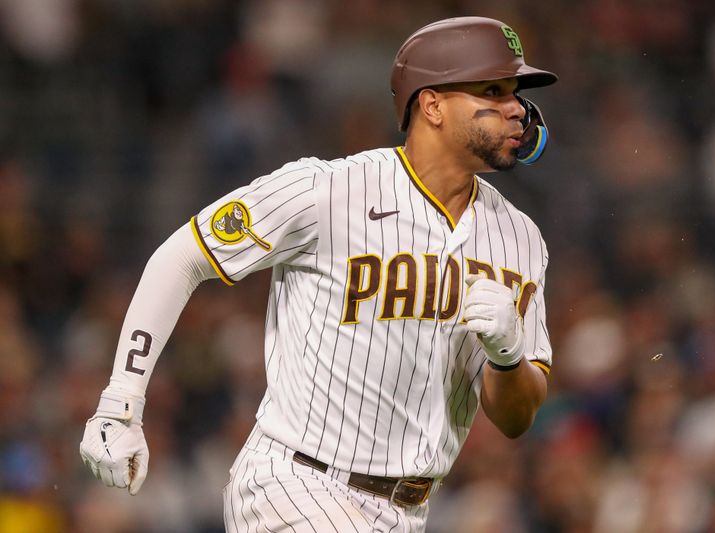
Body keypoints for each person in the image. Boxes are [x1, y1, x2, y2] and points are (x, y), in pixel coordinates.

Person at [80, 16, 557, 532]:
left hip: (411, 509)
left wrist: (508, 359)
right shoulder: (327, 191)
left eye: (515, 92)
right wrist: (120, 403)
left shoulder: (520, 239)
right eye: (493, 89)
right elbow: (181, 256)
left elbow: (516, 419)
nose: (516, 109)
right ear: (432, 104)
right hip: (294, 483)